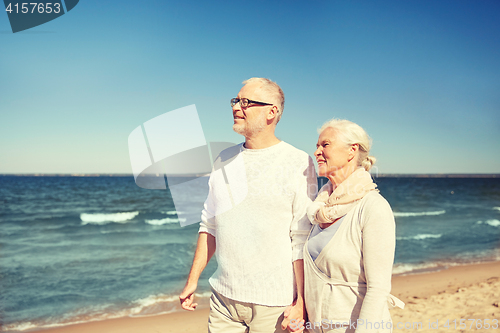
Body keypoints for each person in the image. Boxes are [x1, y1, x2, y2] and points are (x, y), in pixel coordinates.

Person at [179, 78, 317, 333]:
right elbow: (209, 224)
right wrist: (192, 281)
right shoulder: (223, 158)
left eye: (245, 102)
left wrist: (302, 302)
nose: (236, 107)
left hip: (275, 304)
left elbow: (301, 238)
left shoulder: (299, 161)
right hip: (223, 299)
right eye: (235, 101)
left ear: (271, 112)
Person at [301, 119, 404, 333]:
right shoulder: (319, 208)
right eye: (317, 146)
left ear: (351, 151)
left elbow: (379, 289)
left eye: (325, 145)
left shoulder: (373, 207)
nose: (317, 151)